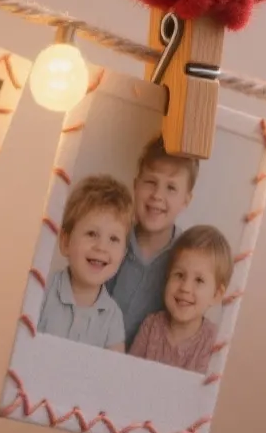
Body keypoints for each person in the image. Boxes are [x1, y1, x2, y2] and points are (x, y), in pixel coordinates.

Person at [106, 136, 198, 349]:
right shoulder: (111, 239)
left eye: (171, 188)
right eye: (151, 182)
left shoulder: (186, 259)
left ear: (186, 200)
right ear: (136, 186)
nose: (157, 195)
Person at [37, 174, 132, 351]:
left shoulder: (112, 318)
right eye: (91, 234)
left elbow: (112, 372)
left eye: (113, 239)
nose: (101, 247)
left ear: (123, 255)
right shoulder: (41, 292)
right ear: (65, 242)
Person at [128, 224, 233, 375]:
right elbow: (128, 373)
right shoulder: (151, 326)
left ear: (216, 295)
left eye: (199, 280)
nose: (185, 288)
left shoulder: (214, 342)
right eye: (179, 275)